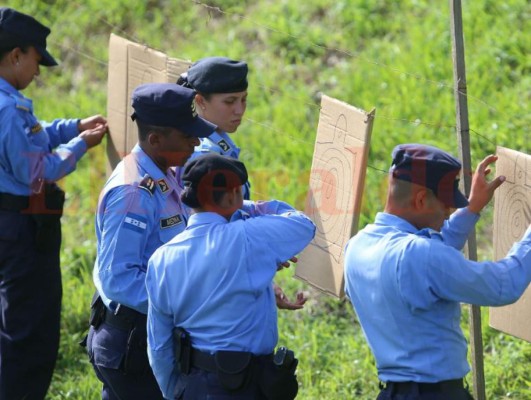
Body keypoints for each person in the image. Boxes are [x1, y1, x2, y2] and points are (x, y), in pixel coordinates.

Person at [344, 143, 531, 400]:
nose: (449, 211)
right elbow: (503, 285)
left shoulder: (356, 247)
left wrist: (471, 210)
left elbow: (429, 262)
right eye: (445, 204)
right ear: (421, 199)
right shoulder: (421, 255)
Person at [0, 7, 107, 400]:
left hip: (8, 223)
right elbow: (36, 170)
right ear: (15, 55)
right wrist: (81, 146)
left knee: (11, 321)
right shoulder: (7, 109)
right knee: (30, 330)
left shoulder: (8, 103)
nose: (38, 72)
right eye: (35, 60)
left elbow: (35, 134)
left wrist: (73, 127)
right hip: (19, 226)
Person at [146, 153, 316, 399]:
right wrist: (251, 207)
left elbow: (159, 344)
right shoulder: (247, 236)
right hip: (245, 385)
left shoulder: (161, 259)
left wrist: (175, 390)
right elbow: (303, 225)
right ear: (231, 196)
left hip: (192, 383)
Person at [85, 83, 216, 400]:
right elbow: (118, 278)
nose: (197, 141)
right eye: (188, 136)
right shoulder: (133, 193)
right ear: (156, 139)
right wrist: (180, 304)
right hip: (132, 342)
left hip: (146, 334)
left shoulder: (166, 170)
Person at [178, 56, 306, 310]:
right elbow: (211, 234)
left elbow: (231, 214)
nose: (239, 110)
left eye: (244, 99)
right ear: (200, 101)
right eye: (229, 102)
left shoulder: (219, 143)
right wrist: (262, 250)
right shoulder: (203, 155)